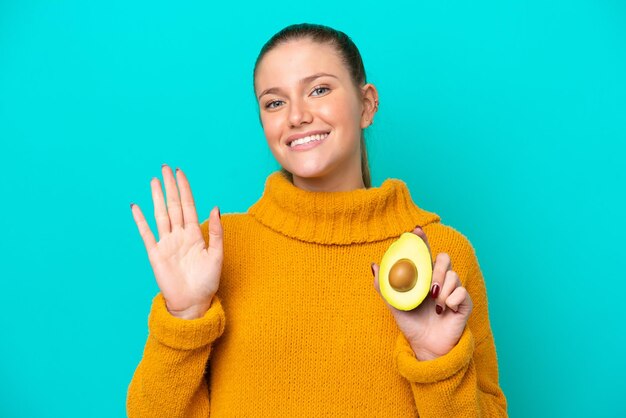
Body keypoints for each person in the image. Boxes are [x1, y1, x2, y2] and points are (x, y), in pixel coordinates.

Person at [127, 23, 507, 417]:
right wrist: (185, 319)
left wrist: (436, 362)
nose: (296, 115)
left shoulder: (442, 256)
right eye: (274, 103)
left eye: (319, 90)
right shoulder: (215, 253)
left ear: (367, 104)